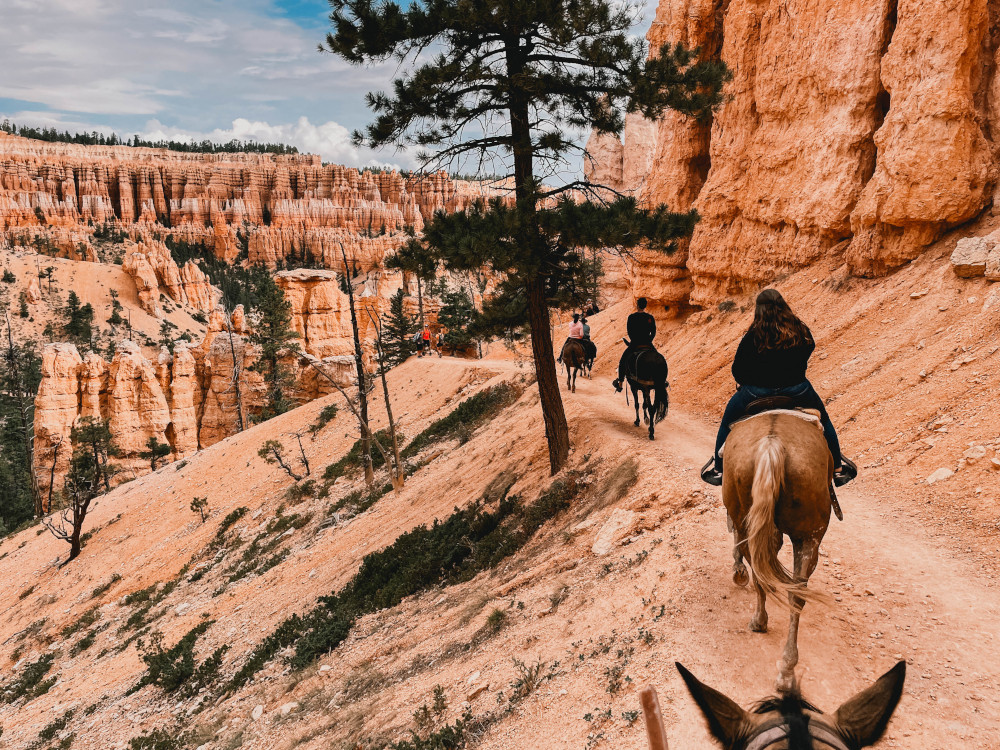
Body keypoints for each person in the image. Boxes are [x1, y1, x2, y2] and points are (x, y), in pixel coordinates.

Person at [700, 289, 857, 488]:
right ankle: (838, 471)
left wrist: (750, 378)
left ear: (759, 309)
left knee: (726, 422)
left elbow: (737, 369)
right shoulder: (799, 329)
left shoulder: (753, 335)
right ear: (783, 305)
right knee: (823, 419)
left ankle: (719, 470)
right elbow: (810, 347)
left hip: (756, 392)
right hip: (796, 389)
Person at [612, 298, 656, 391]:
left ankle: (620, 383)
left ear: (637, 305)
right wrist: (649, 340)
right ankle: (662, 380)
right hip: (648, 343)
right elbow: (654, 332)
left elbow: (629, 331)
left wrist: (634, 340)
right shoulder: (650, 317)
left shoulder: (632, 317)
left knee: (622, 362)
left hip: (635, 343)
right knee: (658, 357)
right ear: (645, 306)